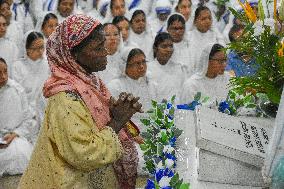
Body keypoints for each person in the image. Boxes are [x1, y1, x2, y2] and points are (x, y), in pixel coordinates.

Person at [19, 15, 142, 189]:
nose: (105, 52)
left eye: (104, 44)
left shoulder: (90, 82)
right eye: (98, 47)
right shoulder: (65, 97)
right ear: (73, 55)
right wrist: (117, 121)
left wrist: (116, 113)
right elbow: (85, 153)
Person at [0, 57, 37, 176]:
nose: (3, 76)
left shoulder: (17, 90)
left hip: (14, 137)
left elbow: (28, 120)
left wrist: (15, 134)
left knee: (20, 154)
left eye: (5, 71)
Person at [11, 31, 49, 114]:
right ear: (27, 49)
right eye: (36, 48)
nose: (40, 51)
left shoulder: (47, 65)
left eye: (42, 47)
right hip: (23, 111)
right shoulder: (17, 67)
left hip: (45, 110)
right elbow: (16, 94)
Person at [148, 32, 185, 102]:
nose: (168, 50)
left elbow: (182, 93)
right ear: (155, 48)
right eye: (164, 46)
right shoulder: (148, 69)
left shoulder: (179, 68)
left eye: (171, 46)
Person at [187, 6, 225, 74]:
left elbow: (223, 54)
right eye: (203, 19)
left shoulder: (216, 36)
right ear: (195, 21)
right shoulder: (188, 36)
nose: (207, 21)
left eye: (209, 18)